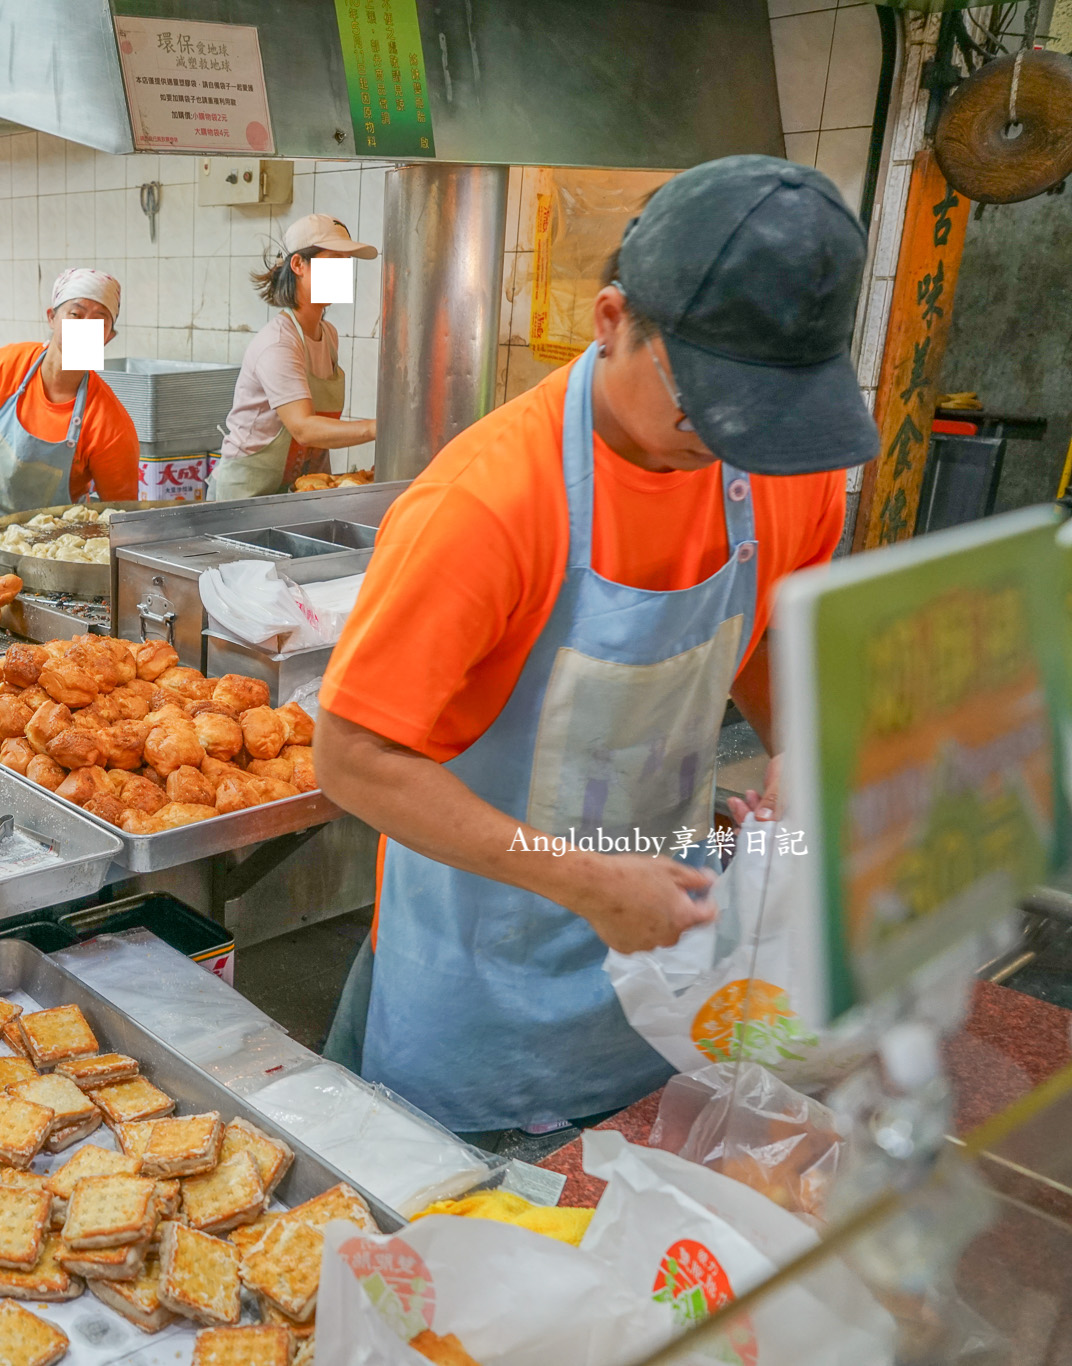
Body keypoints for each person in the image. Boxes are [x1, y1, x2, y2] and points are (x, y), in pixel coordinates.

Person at [313, 157, 870, 1140]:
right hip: (484, 986)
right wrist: (579, 879)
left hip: (668, 959)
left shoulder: (778, 469)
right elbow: (351, 759)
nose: (733, 439)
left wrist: (797, 747)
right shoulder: (484, 504)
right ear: (611, 321)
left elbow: (760, 635)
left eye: (766, 410)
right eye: (706, 401)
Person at [0, 267, 139, 527]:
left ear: (108, 337)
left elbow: (120, 516)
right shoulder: (5, 366)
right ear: (52, 318)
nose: (85, 327)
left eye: (99, 321)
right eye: (76, 314)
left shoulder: (110, 423)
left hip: (44, 555)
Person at [209, 214, 379, 500]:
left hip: (295, 494)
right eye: (334, 261)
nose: (343, 272)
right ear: (299, 264)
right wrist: (376, 428)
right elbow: (303, 428)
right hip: (244, 498)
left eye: (346, 263)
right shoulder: (278, 342)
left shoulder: (329, 336)